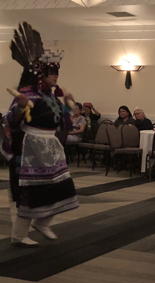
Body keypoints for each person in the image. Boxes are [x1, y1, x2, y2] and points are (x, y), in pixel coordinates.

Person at [5, 22, 78, 247]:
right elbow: (10, 121)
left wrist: (67, 104)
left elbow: (64, 123)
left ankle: (43, 221)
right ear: (39, 75)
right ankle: (19, 234)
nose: (55, 77)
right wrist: (20, 107)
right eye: (51, 74)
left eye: (56, 74)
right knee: (32, 191)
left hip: (51, 147)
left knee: (62, 186)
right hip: (32, 148)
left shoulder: (52, 98)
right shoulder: (26, 95)